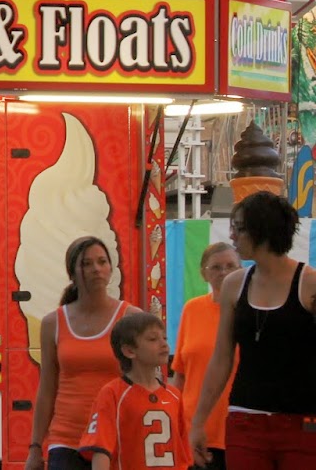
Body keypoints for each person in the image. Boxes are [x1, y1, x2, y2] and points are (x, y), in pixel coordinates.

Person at [189, 190, 316, 470]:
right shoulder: (234, 285)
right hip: (246, 418)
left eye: (239, 228)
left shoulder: (309, 285)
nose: (232, 236)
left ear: (263, 230)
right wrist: (199, 421)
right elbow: (221, 357)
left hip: (302, 421)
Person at [26, 236, 138, 470]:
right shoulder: (53, 323)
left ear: (110, 268)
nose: (96, 269)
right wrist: (35, 447)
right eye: (86, 264)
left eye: (102, 261)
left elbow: (144, 382)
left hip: (115, 436)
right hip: (66, 439)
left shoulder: (130, 318)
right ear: (72, 273)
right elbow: (47, 388)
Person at [79, 312, 190, 470]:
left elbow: (183, 454)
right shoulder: (112, 393)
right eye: (153, 339)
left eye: (164, 338)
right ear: (129, 351)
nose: (164, 344)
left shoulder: (174, 395)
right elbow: (101, 448)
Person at [169, 241, 239, 470]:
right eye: (216, 267)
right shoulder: (192, 309)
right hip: (196, 432)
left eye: (231, 266)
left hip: (238, 430)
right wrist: (177, 427)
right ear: (203, 273)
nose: (224, 272)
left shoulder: (249, 313)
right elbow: (179, 375)